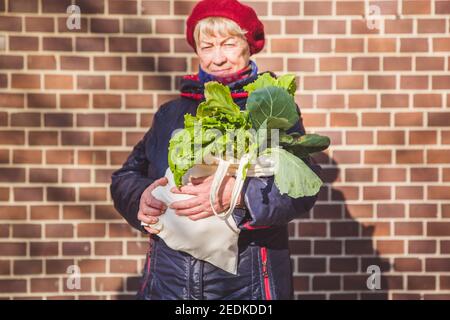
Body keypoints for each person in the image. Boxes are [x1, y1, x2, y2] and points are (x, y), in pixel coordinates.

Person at [110, 0, 321, 300]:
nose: (218, 58)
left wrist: (239, 194)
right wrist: (140, 198)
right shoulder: (171, 114)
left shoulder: (274, 108)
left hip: (248, 287)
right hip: (169, 285)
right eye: (207, 46)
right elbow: (125, 177)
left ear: (248, 46)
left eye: (228, 44)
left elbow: (303, 187)